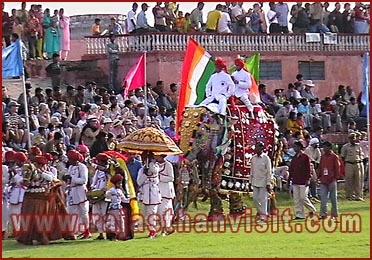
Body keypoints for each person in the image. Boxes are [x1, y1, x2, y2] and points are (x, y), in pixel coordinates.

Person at [65, 149, 91, 239]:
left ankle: (87, 230)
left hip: (80, 190)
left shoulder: (82, 167)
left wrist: (72, 178)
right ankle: (73, 232)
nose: (69, 161)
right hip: (72, 191)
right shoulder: (71, 167)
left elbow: (84, 180)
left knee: (83, 212)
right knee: (72, 212)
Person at [288, 141, 316, 220]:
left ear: (300, 147)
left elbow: (309, 169)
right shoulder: (294, 158)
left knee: (303, 197)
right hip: (295, 180)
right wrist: (289, 180)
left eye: (295, 147)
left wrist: (308, 179)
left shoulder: (305, 157)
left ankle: (311, 209)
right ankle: (299, 214)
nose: (294, 148)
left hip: (303, 180)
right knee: (296, 198)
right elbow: (291, 170)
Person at [137, 151, 162, 239]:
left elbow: (155, 174)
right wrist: (145, 174)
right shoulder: (142, 169)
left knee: (152, 213)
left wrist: (150, 164)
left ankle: (153, 231)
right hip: (145, 193)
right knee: (146, 214)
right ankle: (150, 229)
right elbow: (139, 182)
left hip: (153, 192)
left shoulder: (155, 166)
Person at [317, 141, 340, 220]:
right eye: (323, 147)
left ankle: (334, 214)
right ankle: (323, 214)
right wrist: (318, 176)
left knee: (333, 198)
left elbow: (337, 167)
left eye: (325, 147)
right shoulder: (322, 157)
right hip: (324, 179)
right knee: (323, 198)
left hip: (331, 179)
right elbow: (320, 167)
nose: (324, 148)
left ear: (329, 147)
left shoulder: (334, 157)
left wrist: (336, 177)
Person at [90, 153, 110, 240]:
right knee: (96, 214)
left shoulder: (109, 171)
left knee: (105, 214)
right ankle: (101, 233)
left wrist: (104, 190)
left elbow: (109, 182)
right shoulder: (97, 171)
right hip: (96, 194)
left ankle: (108, 232)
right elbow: (94, 182)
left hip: (105, 195)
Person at [250, 141, 272, 221]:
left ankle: (263, 216)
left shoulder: (266, 158)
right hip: (255, 181)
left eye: (258, 147)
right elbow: (252, 170)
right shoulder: (253, 158)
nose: (256, 149)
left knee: (263, 199)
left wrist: (268, 183)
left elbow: (269, 172)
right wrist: (250, 181)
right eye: (255, 147)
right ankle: (262, 213)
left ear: (262, 148)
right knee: (255, 199)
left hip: (263, 182)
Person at [155, 154, 176, 236]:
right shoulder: (154, 165)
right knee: (157, 211)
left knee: (165, 211)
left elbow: (171, 178)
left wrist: (160, 177)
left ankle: (165, 230)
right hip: (157, 190)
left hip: (166, 191)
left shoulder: (168, 165)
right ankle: (155, 230)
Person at [340, 133, 365, 201]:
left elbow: (361, 155)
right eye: (352, 138)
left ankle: (359, 195)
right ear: (349, 139)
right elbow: (342, 156)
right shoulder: (345, 147)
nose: (353, 140)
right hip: (349, 164)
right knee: (349, 180)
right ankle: (349, 195)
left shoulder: (358, 146)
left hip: (358, 163)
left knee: (358, 180)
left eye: (354, 138)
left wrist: (360, 160)